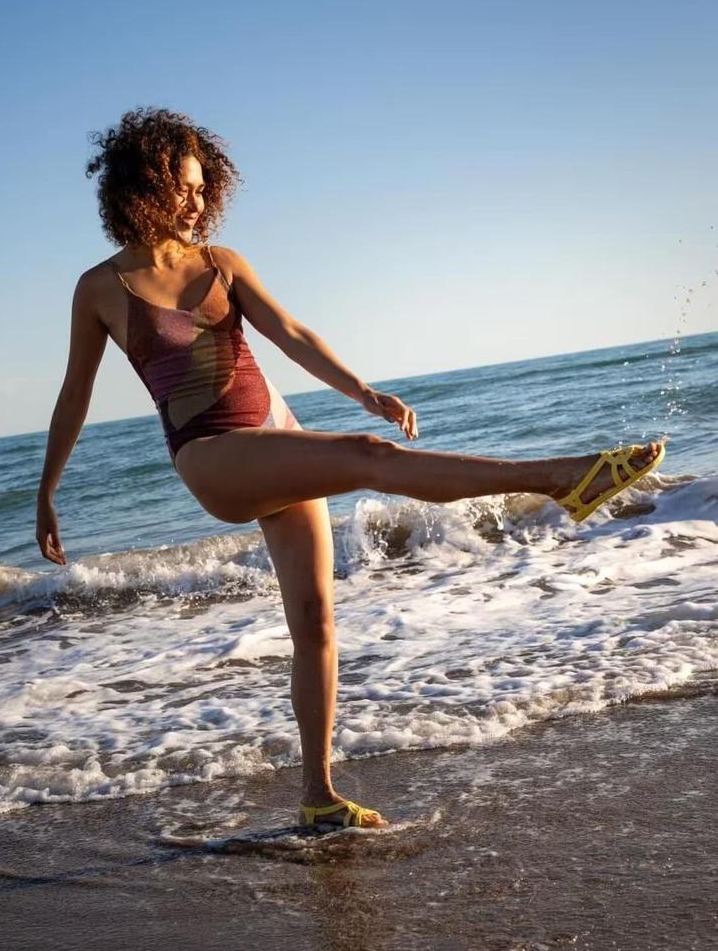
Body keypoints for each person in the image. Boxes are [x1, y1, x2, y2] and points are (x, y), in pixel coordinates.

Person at [36, 107, 666, 831]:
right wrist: (48, 490)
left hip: (277, 437)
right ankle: (557, 478)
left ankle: (318, 797)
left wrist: (362, 391)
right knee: (372, 461)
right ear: (143, 184)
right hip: (212, 459)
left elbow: (294, 335)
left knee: (315, 622)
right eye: (184, 186)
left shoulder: (224, 265)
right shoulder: (100, 288)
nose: (197, 200)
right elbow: (75, 393)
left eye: (204, 187)